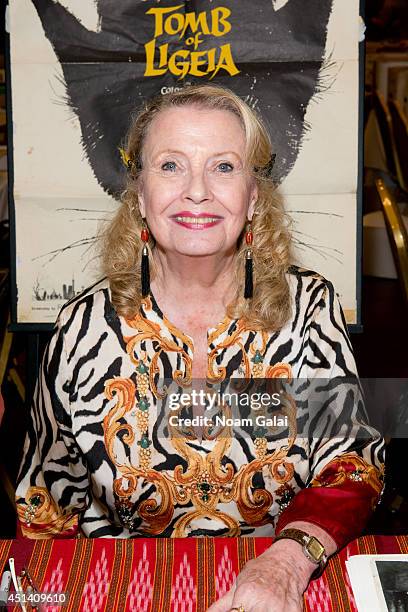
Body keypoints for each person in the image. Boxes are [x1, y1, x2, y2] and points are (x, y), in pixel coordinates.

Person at [15, 84, 384, 611]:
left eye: (224, 167)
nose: (197, 192)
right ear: (140, 195)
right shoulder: (81, 329)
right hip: (123, 591)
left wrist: (287, 562)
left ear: (254, 197)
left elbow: (351, 462)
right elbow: (44, 508)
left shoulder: (306, 310)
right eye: (170, 166)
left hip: (278, 588)